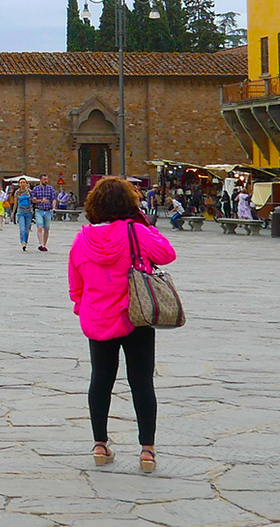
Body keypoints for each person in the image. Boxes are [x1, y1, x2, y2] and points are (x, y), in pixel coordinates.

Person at [68, 176, 175, 475]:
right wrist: (144, 224)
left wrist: (84, 309)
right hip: (136, 315)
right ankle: (147, 450)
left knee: (100, 379)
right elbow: (167, 253)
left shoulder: (81, 239)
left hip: (98, 318)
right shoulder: (137, 232)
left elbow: (75, 286)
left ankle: (100, 444)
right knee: (141, 381)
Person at [33, 175, 57, 252]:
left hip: (48, 211)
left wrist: (54, 207)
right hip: (39, 210)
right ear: (40, 180)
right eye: (44, 179)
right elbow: (33, 200)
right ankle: (41, 244)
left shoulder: (50, 189)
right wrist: (41, 201)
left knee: (46, 228)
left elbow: (54, 199)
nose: (46, 181)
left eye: (46, 179)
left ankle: (44, 244)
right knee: (40, 227)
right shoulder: (36, 189)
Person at [15, 183, 34, 251]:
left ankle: (26, 242)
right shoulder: (17, 192)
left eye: (24, 182)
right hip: (20, 212)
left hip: (29, 212)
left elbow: (33, 200)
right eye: (21, 182)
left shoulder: (30, 192)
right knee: (22, 228)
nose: (22, 184)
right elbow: (15, 203)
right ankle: (23, 243)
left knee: (27, 229)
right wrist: (13, 213)